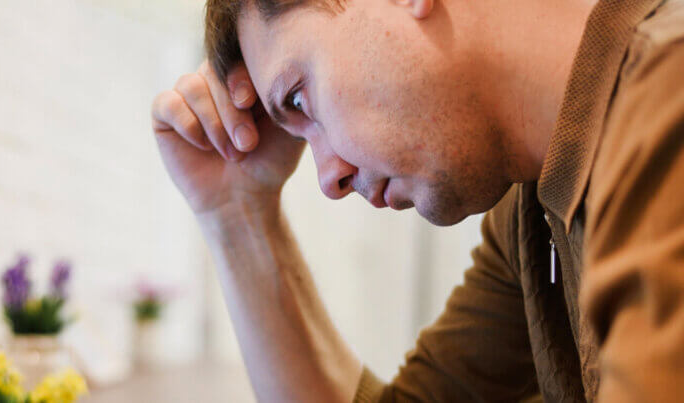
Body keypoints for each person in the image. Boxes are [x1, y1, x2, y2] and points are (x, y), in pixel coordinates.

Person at [150, 0, 684, 401]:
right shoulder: (532, 212)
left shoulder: (668, 99)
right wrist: (239, 216)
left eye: (298, 97)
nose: (328, 178)